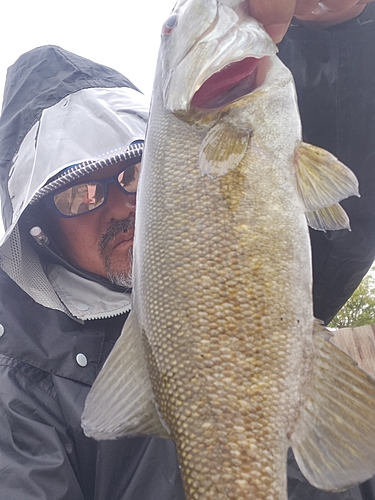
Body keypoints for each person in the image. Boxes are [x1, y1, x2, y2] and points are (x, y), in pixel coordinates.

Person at [0, 2, 374, 499]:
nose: (117, 206)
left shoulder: (239, 221)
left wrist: (343, 26)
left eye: (131, 175)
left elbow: (354, 186)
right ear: (40, 228)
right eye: (78, 195)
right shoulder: (18, 390)